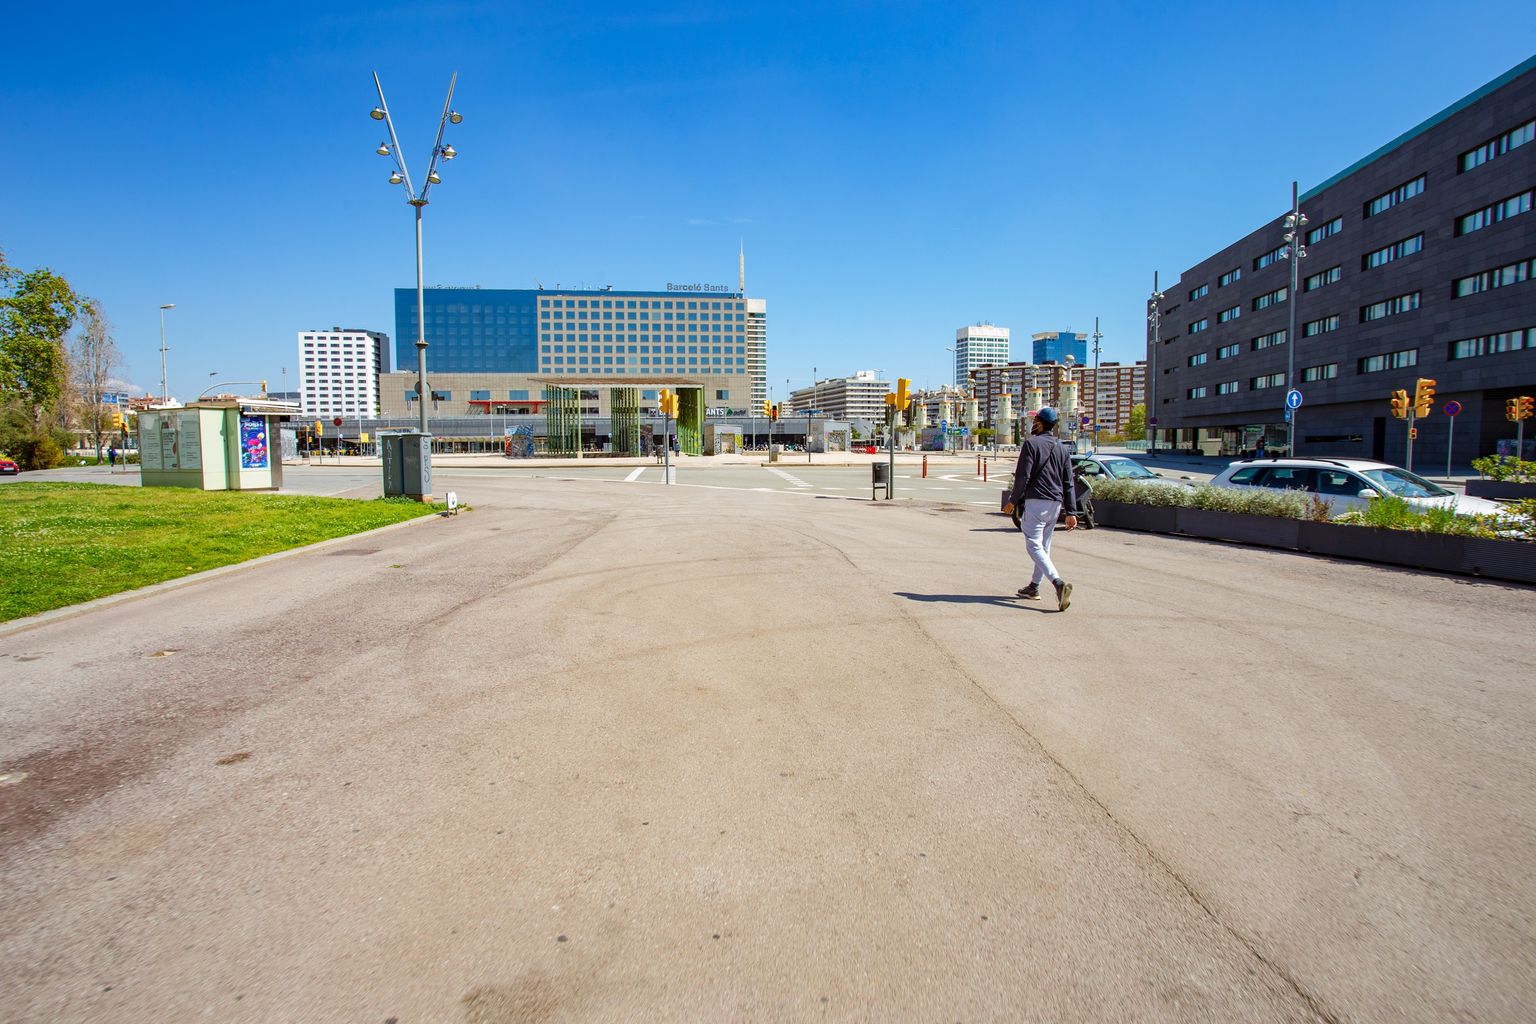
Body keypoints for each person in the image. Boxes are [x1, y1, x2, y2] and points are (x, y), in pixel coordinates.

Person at [1003, 407, 1078, 611]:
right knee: (1043, 547)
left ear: (1040, 423)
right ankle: (1034, 587)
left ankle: (1057, 583)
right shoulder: (1062, 448)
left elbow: (1023, 476)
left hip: (1037, 501)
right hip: (1056, 504)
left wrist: (1013, 500)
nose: (1033, 423)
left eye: (1035, 420)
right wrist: (1071, 511)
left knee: (1033, 545)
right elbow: (1068, 482)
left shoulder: (1031, 444)